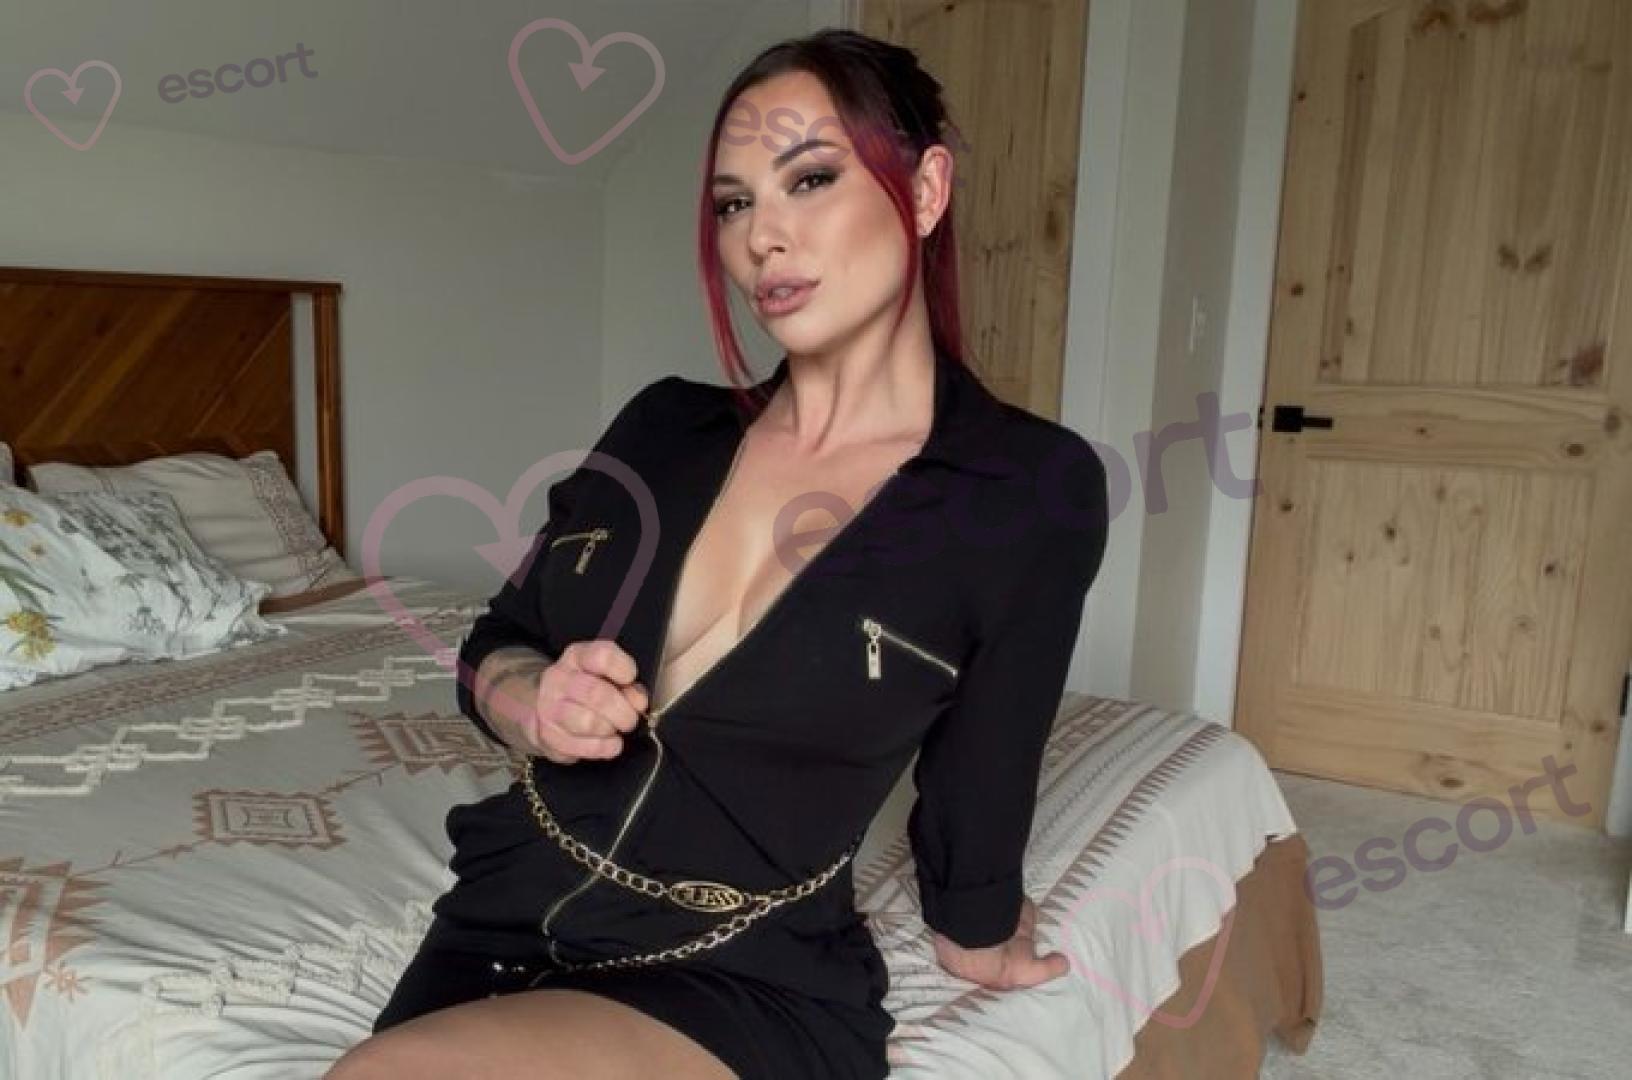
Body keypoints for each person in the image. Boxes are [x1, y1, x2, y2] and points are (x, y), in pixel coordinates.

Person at [326, 27, 1108, 1080]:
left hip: (740, 967)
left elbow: (987, 761)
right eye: (735, 204)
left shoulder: (1023, 488)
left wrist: (978, 927)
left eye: (811, 180)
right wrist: (532, 702)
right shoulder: (663, 428)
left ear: (925, 191)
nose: (761, 240)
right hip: (507, 908)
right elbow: (497, 644)